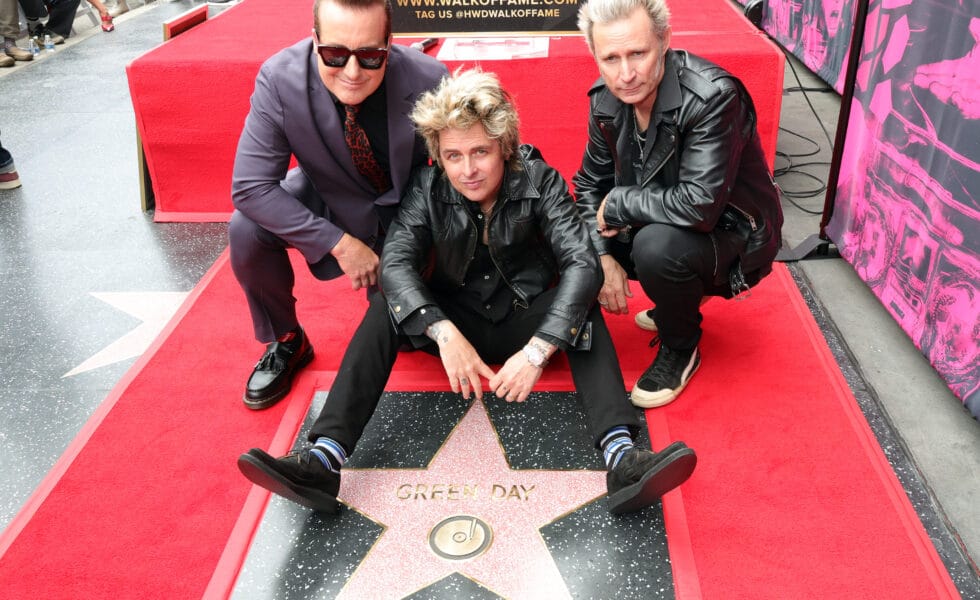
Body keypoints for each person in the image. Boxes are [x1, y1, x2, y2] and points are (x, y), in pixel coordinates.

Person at [238, 68, 698, 516]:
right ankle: (324, 459)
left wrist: (538, 351)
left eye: (481, 152)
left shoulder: (540, 179)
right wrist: (442, 332)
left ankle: (622, 458)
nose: (468, 170)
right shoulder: (426, 186)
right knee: (385, 305)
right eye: (453, 156)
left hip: (525, 318)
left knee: (582, 310)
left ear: (505, 146)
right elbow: (395, 263)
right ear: (438, 155)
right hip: (454, 321)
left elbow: (581, 262)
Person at [228, 0, 447, 410]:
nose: (352, 72)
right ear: (315, 41)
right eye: (334, 54)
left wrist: (414, 248)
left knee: (408, 332)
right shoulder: (279, 79)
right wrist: (339, 244)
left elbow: (457, 176)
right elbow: (251, 186)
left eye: (370, 56)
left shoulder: (429, 78)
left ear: (389, 43)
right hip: (330, 197)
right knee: (246, 229)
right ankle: (287, 340)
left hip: (408, 209)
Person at [573, 0, 783, 407]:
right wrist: (602, 255)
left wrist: (618, 204)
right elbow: (588, 185)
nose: (626, 73)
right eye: (611, 58)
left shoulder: (713, 97)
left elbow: (701, 206)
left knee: (655, 248)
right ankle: (677, 299)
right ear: (595, 56)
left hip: (733, 236)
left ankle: (681, 345)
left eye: (638, 53)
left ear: (664, 41)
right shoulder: (605, 100)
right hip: (662, 220)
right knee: (565, 232)